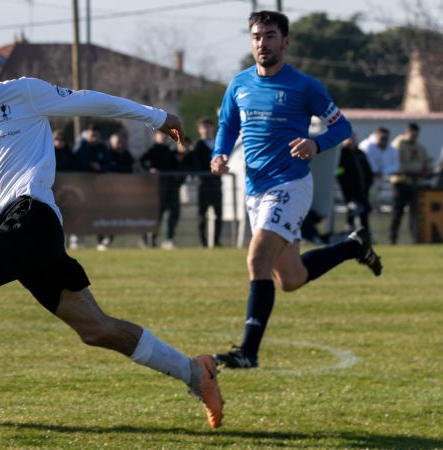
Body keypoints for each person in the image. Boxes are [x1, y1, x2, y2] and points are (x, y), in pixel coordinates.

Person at [0, 29, 223, 429]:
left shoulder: (24, 92)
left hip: (32, 216)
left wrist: (158, 117)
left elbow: (90, 101)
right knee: (97, 329)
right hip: (17, 229)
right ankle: (195, 372)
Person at [210, 11, 382, 370]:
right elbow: (227, 126)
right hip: (254, 190)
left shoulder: (305, 86)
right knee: (290, 279)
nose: (263, 43)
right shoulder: (239, 83)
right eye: (257, 36)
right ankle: (354, 246)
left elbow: (343, 127)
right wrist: (220, 154)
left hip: (289, 184)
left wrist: (316, 145)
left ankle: (248, 352)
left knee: (257, 259)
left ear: (285, 42)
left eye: (270, 36)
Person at [139, 130, 185, 249]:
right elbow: (142, 162)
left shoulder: (171, 151)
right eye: (161, 134)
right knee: (156, 215)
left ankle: (169, 239)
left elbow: (177, 166)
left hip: (171, 188)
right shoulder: (152, 150)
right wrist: (151, 169)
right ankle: (149, 239)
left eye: (165, 135)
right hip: (158, 189)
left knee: (173, 214)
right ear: (156, 136)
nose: (163, 137)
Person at [388, 123, 432, 244]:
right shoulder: (398, 144)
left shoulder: (420, 147)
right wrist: (413, 171)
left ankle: (416, 239)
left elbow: (427, 162)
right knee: (398, 212)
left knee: (416, 213)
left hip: (416, 184)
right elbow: (395, 163)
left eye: (416, 135)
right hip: (401, 183)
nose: (414, 137)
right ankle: (393, 239)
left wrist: (426, 170)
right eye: (412, 134)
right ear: (406, 132)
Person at [189, 118, 223, 247]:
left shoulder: (218, 144)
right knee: (202, 215)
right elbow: (195, 163)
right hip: (203, 184)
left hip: (217, 183)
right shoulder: (197, 146)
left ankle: (216, 241)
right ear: (199, 130)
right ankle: (203, 242)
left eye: (209, 126)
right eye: (204, 127)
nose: (207, 129)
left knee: (218, 214)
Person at [336, 133, 373, 231]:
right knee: (353, 211)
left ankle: (365, 235)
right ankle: (349, 233)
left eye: (353, 138)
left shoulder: (360, 153)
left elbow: (367, 171)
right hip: (348, 191)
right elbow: (339, 172)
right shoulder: (341, 154)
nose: (352, 140)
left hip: (362, 190)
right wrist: (344, 185)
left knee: (363, 212)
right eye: (349, 138)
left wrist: (368, 183)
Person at [360, 127, 399, 209]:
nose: (384, 141)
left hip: (379, 181)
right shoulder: (367, 146)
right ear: (376, 136)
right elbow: (366, 162)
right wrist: (374, 171)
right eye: (382, 138)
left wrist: (382, 172)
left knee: (374, 202)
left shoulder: (390, 149)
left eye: (386, 139)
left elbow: (396, 165)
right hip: (364, 179)